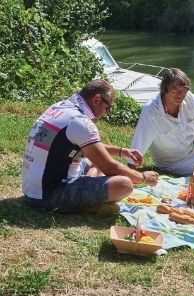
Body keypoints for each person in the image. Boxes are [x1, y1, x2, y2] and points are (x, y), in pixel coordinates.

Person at [22, 79, 159, 213]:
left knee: (94, 162)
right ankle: (88, 204)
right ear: (96, 99)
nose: (106, 113)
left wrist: (122, 151)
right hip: (48, 197)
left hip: (32, 190)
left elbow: (92, 149)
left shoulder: (60, 107)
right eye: (108, 107)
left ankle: (89, 197)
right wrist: (143, 178)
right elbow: (110, 167)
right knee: (124, 184)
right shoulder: (81, 122)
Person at [129, 68, 194, 179]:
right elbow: (137, 145)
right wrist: (131, 173)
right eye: (175, 89)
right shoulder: (151, 111)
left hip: (191, 145)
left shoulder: (189, 98)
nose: (180, 94)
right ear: (165, 89)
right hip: (173, 162)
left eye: (184, 89)